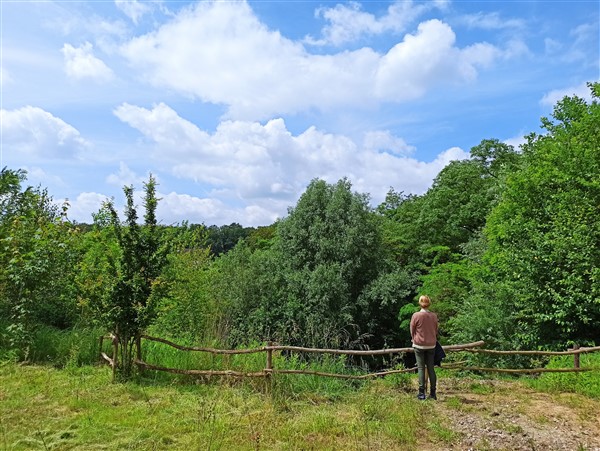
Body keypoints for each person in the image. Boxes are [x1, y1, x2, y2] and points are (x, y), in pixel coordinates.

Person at [410, 295, 439, 400]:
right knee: (431, 368)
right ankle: (433, 392)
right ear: (429, 304)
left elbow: (412, 330)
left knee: (421, 368)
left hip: (419, 344)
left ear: (420, 304)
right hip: (431, 344)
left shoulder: (416, 315)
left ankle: (421, 393)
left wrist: (414, 339)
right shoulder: (434, 316)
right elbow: (436, 330)